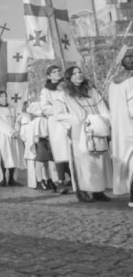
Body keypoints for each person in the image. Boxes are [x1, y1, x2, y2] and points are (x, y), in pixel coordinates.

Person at [60, 66, 112, 202]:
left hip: (96, 130)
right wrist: (75, 120)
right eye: (75, 73)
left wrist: (103, 120)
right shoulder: (64, 94)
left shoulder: (91, 91)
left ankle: (98, 191)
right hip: (79, 133)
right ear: (69, 77)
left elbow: (103, 108)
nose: (79, 75)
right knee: (81, 163)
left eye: (80, 72)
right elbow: (58, 113)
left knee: (98, 161)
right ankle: (81, 191)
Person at [40, 65, 72, 193]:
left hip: (71, 120)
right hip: (56, 124)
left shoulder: (67, 86)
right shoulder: (46, 91)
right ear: (49, 76)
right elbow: (45, 108)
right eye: (54, 72)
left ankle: (76, 179)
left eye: (59, 71)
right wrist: (59, 110)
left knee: (73, 150)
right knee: (60, 152)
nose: (58, 73)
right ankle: (60, 182)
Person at [108, 49, 133, 202]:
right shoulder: (131, 80)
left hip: (119, 127)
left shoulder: (113, 82)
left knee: (124, 159)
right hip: (130, 125)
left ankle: (124, 189)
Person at [0, 90, 24, 186]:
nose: (4, 98)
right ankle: (3, 179)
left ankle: (11, 179)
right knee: (4, 156)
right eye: (2, 96)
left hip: (14, 136)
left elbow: (17, 120)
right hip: (4, 135)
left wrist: (16, 130)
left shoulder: (12, 108)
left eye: (5, 96)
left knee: (14, 156)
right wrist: (10, 131)